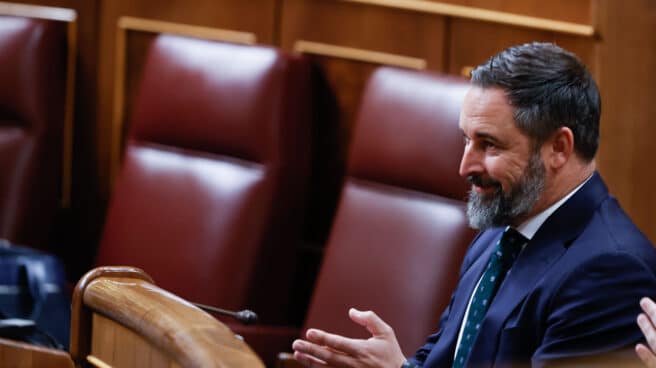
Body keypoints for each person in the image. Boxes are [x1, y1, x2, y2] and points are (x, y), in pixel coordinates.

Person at [292, 42, 656, 367]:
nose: (465, 166)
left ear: (558, 148)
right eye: (467, 139)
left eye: (490, 145)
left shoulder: (610, 271)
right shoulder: (501, 230)